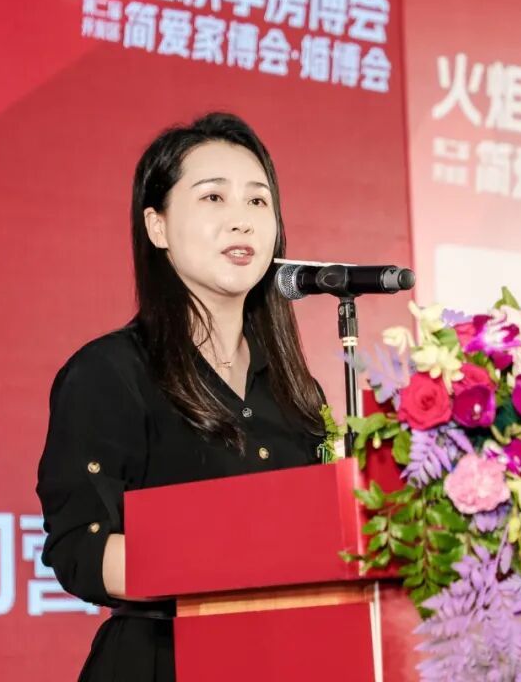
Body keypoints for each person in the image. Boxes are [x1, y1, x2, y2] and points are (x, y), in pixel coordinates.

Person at [35, 112, 329, 681]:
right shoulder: (111, 372)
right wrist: (241, 557)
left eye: (258, 201)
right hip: (162, 661)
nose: (241, 220)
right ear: (158, 227)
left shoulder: (298, 390)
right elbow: (81, 548)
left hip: (284, 659)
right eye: (213, 198)